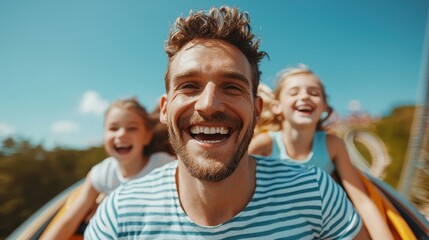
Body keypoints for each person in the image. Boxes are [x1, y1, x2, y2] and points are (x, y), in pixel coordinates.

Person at [85, 6, 362, 239]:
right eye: (189, 86)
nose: (208, 104)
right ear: (165, 109)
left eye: (231, 87)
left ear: (257, 110)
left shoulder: (316, 192)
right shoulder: (119, 215)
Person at [249, 64, 394, 239]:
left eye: (314, 93)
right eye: (294, 92)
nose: (304, 96)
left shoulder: (332, 145)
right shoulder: (265, 144)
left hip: (321, 225)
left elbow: (361, 200)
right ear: (277, 106)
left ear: (324, 107)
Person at [41, 98, 175, 239]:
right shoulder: (102, 173)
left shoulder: (163, 164)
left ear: (147, 137)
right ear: (104, 135)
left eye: (132, 128)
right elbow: (68, 221)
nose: (121, 134)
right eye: (113, 128)